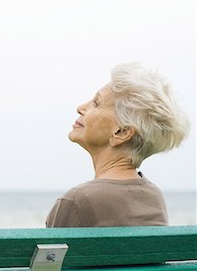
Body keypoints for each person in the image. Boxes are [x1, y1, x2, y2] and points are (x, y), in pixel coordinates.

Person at [46, 62, 190, 227]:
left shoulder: (77, 201)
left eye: (96, 103)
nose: (80, 108)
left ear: (121, 133)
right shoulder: (153, 196)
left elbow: (50, 253)